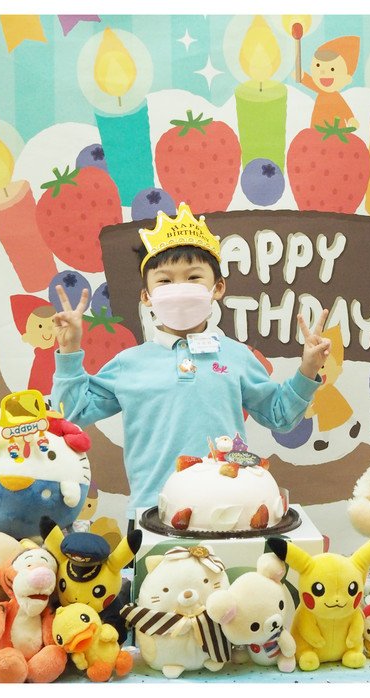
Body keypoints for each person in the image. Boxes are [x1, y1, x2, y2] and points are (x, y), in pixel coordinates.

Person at [51, 204, 330, 520]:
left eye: (193, 277)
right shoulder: (129, 363)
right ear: (146, 296)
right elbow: (71, 413)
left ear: (218, 288)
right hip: (152, 514)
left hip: (228, 513)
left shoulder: (237, 356)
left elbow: (280, 416)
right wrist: (69, 351)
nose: (179, 288)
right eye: (165, 281)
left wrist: (308, 368)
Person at [298, 35, 361, 129]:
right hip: (317, 128)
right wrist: (301, 75)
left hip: (336, 130)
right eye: (318, 65)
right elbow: (308, 81)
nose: (323, 72)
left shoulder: (336, 98)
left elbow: (344, 109)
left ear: (347, 79)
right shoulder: (320, 90)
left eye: (332, 69)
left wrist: (350, 118)